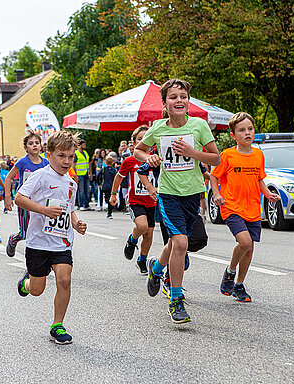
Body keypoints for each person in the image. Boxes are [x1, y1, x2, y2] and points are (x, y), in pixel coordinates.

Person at [133, 78, 220, 324]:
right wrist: (148, 159)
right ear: (165, 103)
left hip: (193, 195)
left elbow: (216, 159)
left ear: (188, 101)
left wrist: (193, 154)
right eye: (173, 97)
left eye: (183, 96)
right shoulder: (158, 128)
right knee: (180, 242)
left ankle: (157, 269)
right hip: (168, 195)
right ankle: (176, 299)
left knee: (177, 243)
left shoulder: (199, 126)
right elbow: (138, 150)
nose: (179, 100)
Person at [14, 130, 87, 344]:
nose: (67, 161)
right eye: (61, 156)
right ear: (49, 153)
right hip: (38, 242)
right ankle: (26, 284)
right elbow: (20, 198)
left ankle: (58, 325)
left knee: (64, 280)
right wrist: (43, 210)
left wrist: (76, 223)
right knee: (37, 290)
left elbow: (69, 210)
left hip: (62, 241)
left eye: (71, 156)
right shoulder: (40, 176)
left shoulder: (71, 183)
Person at [210, 112, 281, 302]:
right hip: (231, 206)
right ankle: (230, 272)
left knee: (249, 249)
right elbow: (214, 176)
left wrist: (267, 194)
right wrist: (217, 194)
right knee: (245, 242)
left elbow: (259, 180)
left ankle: (239, 285)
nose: (247, 133)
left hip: (252, 207)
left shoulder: (258, 154)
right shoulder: (227, 155)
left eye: (250, 129)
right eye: (242, 130)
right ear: (233, 135)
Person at [110, 126, 156, 274]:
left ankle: (142, 260)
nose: (143, 141)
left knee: (149, 234)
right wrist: (113, 194)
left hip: (152, 201)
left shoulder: (156, 159)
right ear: (134, 142)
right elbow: (118, 177)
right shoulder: (130, 161)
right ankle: (132, 239)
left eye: (146, 138)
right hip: (135, 200)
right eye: (139, 139)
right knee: (142, 227)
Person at [4, 131, 49, 257]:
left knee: (40, 232)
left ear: (41, 146)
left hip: (39, 202)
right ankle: (13, 239)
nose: (34, 145)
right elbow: (9, 178)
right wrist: (8, 197)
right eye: (31, 143)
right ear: (25, 147)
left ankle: (34, 264)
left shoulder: (45, 163)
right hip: (24, 201)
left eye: (37, 143)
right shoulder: (23, 162)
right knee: (24, 233)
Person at [74, 139, 93, 211]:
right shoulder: (76, 153)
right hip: (80, 174)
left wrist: (90, 173)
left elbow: (89, 164)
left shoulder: (85, 153)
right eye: (83, 145)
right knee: (81, 191)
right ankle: (81, 205)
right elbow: (74, 165)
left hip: (86, 174)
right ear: (79, 145)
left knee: (87, 190)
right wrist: (75, 175)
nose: (85, 146)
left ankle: (87, 205)